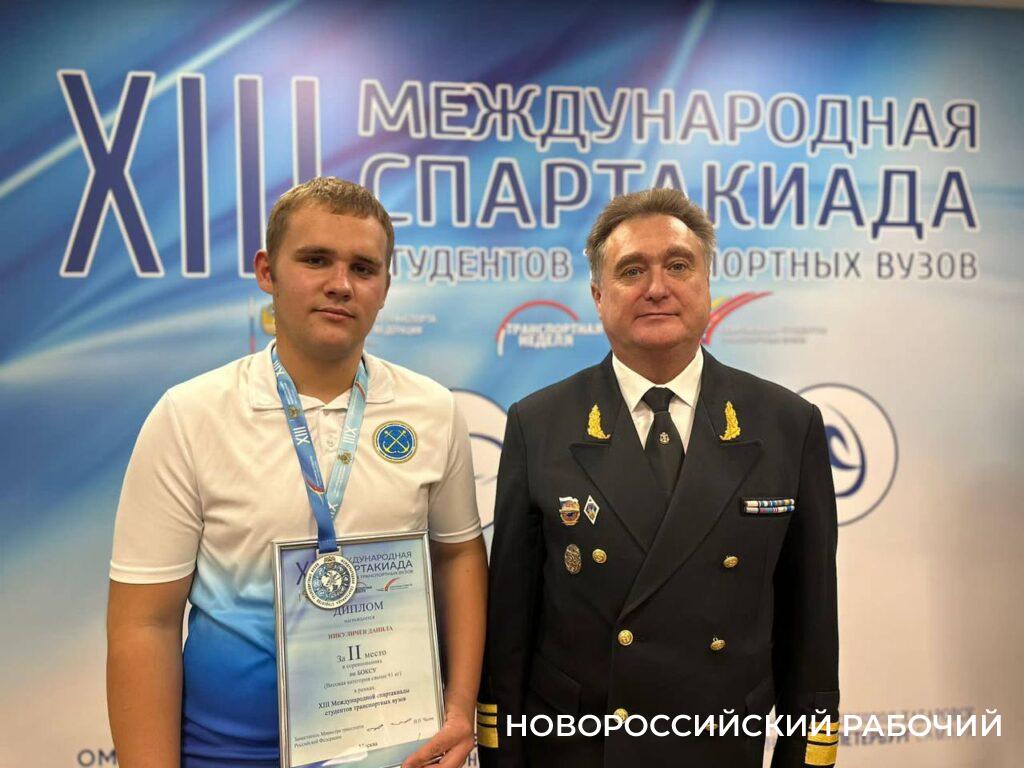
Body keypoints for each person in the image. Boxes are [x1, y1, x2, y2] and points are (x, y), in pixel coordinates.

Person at [107, 177, 487, 768]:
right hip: (229, 753)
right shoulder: (189, 415)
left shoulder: (432, 410)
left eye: (363, 268)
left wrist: (460, 708)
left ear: (386, 287)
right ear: (267, 271)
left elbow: (459, 556)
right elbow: (145, 624)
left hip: (394, 751)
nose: (340, 284)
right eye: (315, 260)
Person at [477, 188, 839, 768]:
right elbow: (511, 628)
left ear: (707, 285)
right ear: (598, 295)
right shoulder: (538, 424)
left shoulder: (786, 424)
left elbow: (810, 625)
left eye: (678, 265)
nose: (656, 287)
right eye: (631, 271)